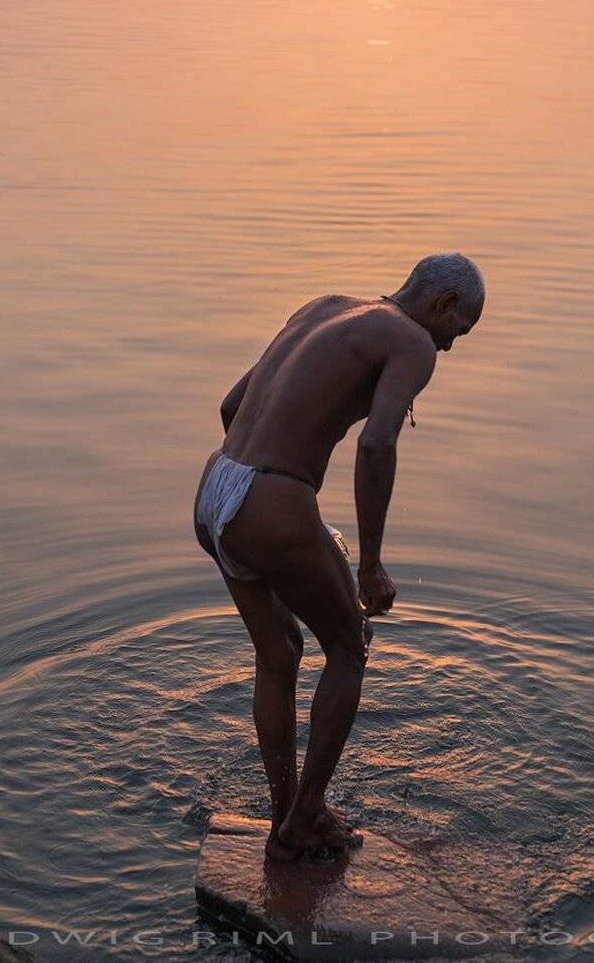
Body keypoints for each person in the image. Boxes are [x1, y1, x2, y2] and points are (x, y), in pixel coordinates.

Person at [193, 252, 485, 862]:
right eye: (460, 332)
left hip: (215, 487)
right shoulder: (413, 342)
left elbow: (230, 406)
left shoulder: (324, 307)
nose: (451, 349)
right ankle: (304, 817)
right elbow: (377, 443)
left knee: (279, 653)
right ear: (442, 306)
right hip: (268, 499)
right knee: (349, 647)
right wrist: (369, 562)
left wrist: (263, 495)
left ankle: (288, 818)